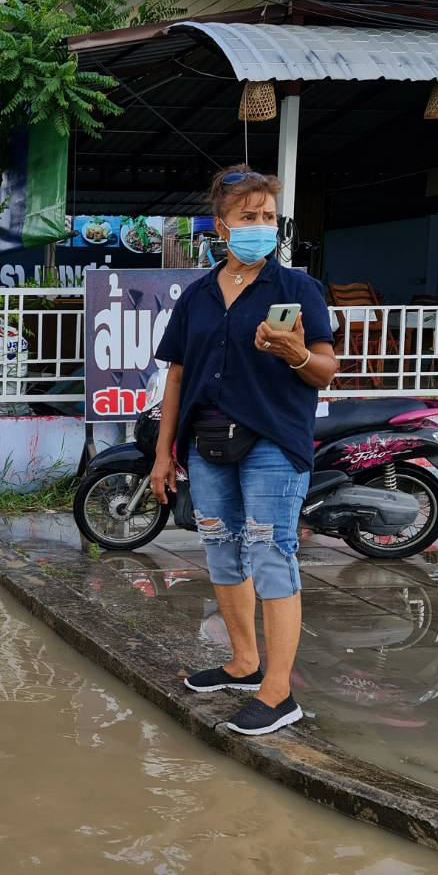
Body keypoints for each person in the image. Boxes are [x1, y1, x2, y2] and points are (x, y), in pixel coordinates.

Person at [150, 164, 340, 736]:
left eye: (267, 217)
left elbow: (326, 370)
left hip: (273, 443)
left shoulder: (297, 290)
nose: (260, 226)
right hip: (207, 442)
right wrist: (163, 454)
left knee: (271, 553)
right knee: (221, 548)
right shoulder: (199, 296)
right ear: (221, 224)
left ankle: (279, 693)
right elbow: (177, 378)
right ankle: (243, 662)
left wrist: (295, 355)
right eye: (248, 217)